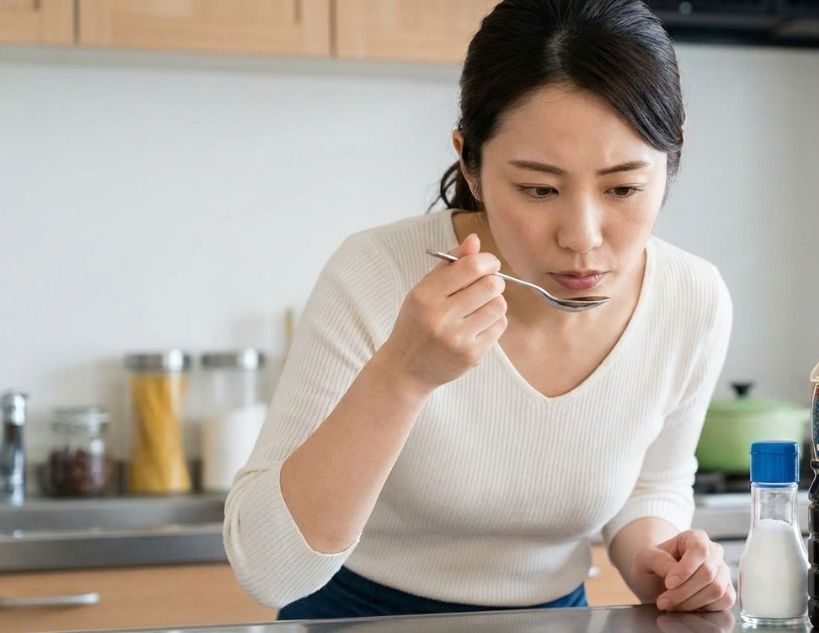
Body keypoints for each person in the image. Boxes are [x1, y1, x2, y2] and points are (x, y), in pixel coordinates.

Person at [223, 0, 735, 620]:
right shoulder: (378, 273)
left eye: (623, 188)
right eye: (538, 189)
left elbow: (651, 488)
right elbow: (270, 571)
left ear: (672, 156)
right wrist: (402, 375)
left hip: (556, 617)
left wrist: (663, 564)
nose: (581, 236)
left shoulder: (693, 297)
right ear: (470, 161)